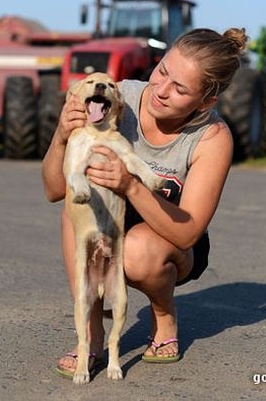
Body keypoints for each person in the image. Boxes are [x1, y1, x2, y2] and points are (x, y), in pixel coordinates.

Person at [41, 27, 246, 375]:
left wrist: (132, 185)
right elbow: (54, 189)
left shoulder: (212, 137)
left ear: (206, 101)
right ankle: (90, 331)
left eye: (180, 89)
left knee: (137, 251)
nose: (161, 91)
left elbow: (188, 232)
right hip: (112, 222)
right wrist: (61, 135)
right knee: (75, 208)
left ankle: (164, 315)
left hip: (171, 240)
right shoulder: (117, 97)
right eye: (163, 71)